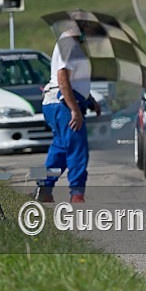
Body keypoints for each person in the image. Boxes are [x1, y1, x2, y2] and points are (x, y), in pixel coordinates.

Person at [35, 25, 101, 203]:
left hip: (57, 102)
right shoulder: (70, 44)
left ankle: (43, 188)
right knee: (77, 149)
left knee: (60, 149)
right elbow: (62, 77)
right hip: (63, 104)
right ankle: (77, 193)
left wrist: (90, 99)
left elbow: (74, 81)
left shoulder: (69, 44)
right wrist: (74, 109)